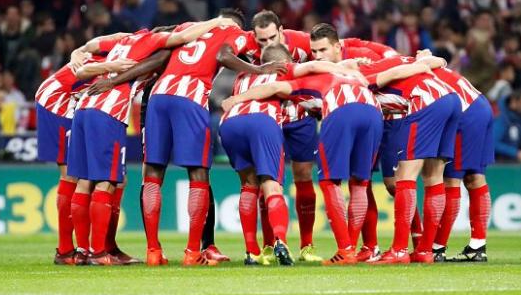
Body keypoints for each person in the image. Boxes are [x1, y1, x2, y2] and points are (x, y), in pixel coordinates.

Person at [67, 18, 236, 266]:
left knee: (87, 182)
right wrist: (217, 21)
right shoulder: (154, 42)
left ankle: (87, 250)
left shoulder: (123, 38)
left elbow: (83, 62)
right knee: (107, 181)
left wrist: (81, 56)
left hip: (86, 107)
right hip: (109, 111)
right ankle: (100, 252)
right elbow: (179, 39)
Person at [219, 57, 353, 265]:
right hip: (267, 121)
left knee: (255, 183)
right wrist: (347, 68)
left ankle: (265, 250)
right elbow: (313, 67)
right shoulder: (281, 66)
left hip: (248, 121)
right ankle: (275, 242)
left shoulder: (244, 73)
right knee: (270, 184)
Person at [34, 33, 135, 265]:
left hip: (81, 104)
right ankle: (67, 250)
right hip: (59, 102)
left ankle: (103, 247)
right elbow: (93, 46)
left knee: (111, 178)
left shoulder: (127, 51)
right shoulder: (122, 46)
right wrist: (81, 53)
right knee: (72, 175)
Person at [357, 55, 461, 264]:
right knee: (433, 176)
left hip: (425, 101)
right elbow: (429, 60)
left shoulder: (359, 79)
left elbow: (392, 76)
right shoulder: (389, 61)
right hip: (450, 98)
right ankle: (424, 251)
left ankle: (399, 249)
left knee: (405, 175)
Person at [308, 22, 393, 262]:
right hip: (373, 115)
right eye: (314, 51)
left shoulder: (361, 58)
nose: (317, 56)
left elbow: (392, 63)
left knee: (332, 181)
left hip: (350, 114)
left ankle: (347, 248)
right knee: (361, 183)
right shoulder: (350, 66)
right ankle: (361, 248)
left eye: (323, 50)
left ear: (338, 47)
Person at [413, 51, 494, 262]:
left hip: (464, 114)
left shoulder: (412, 71)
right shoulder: (423, 65)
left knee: (450, 179)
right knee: (475, 177)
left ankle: (437, 247)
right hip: (480, 105)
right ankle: (477, 245)